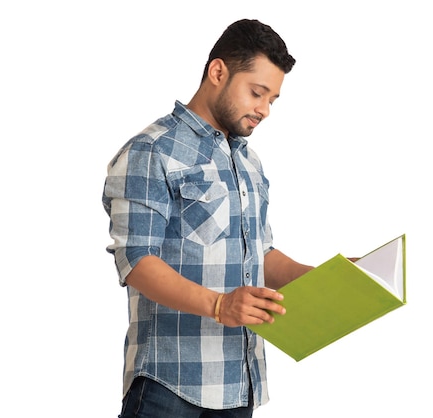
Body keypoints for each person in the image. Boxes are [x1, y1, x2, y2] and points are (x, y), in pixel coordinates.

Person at [102, 19, 313, 418]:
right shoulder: (152, 151)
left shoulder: (247, 161)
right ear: (218, 72)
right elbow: (137, 262)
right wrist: (219, 306)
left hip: (240, 382)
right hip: (170, 384)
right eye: (256, 92)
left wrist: (326, 279)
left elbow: (259, 254)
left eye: (273, 99)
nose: (265, 110)